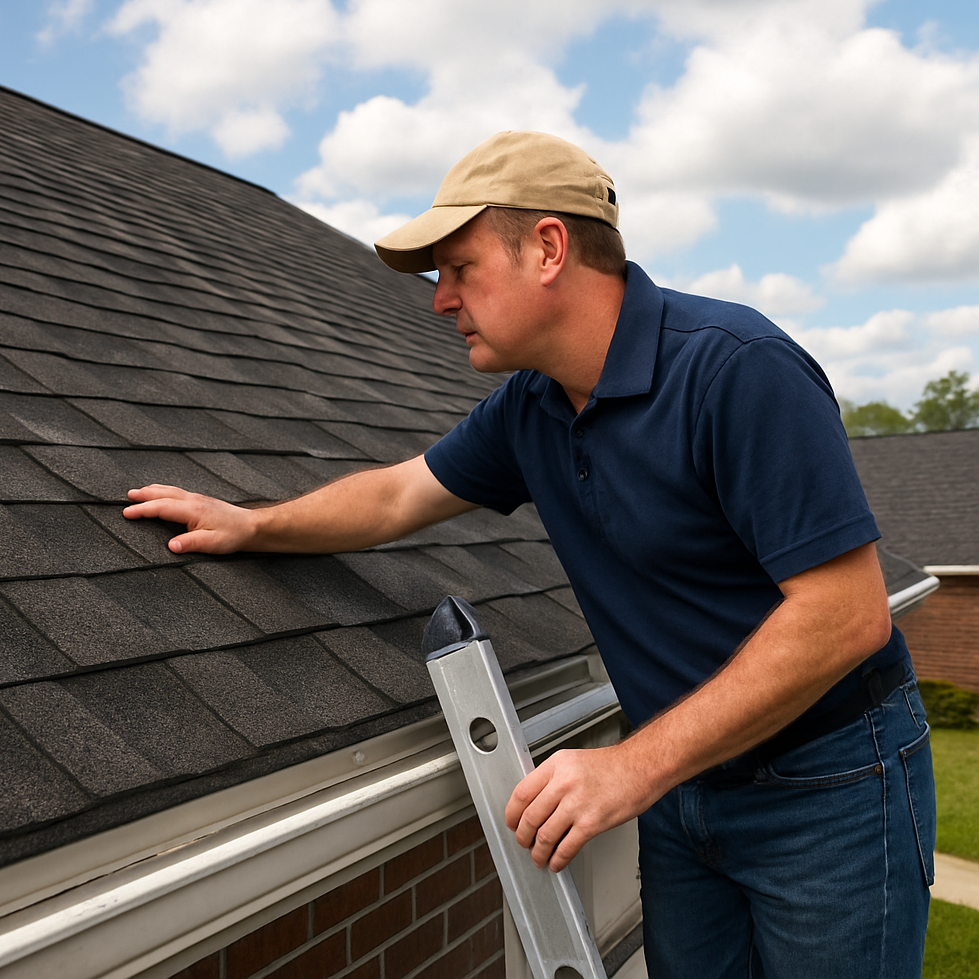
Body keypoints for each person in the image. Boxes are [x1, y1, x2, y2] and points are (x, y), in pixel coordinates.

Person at [124, 131, 935, 978]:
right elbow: (401, 494)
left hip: (832, 786)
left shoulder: (735, 370)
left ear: (548, 248)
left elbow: (846, 615)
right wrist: (255, 525)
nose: (441, 301)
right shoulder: (532, 408)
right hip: (683, 789)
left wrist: (633, 767)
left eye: (459, 268)